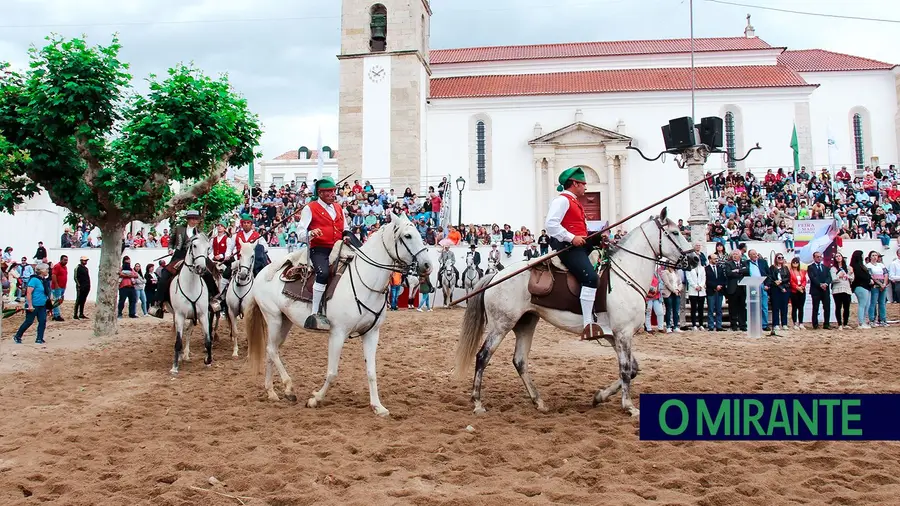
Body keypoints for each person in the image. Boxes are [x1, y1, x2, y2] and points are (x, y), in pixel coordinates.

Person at [545, 166, 604, 340]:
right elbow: (551, 225)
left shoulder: (575, 202)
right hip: (567, 247)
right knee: (591, 278)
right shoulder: (562, 201)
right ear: (575, 183)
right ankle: (587, 324)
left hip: (579, 244)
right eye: (584, 184)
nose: (586, 187)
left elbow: (579, 228)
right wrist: (571, 238)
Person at [295, 177, 353, 329]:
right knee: (323, 273)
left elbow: (345, 227)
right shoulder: (310, 208)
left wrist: (346, 234)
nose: (333, 194)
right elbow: (300, 232)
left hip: (339, 247)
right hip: (319, 248)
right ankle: (315, 313)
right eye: (329, 192)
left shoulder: (339, 208)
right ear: (320, 193)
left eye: (333, 191)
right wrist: (311, 233)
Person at [149, 210, 221, 318]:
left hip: (195, 257)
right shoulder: (179, 229)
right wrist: (170, 249)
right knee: (165, 274)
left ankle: (212, 299)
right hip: (179, 255)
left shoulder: (200, 233)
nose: (194, 220)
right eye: (191, 218)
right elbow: (171, 241)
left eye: (195, 219)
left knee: (208, 274)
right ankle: (158, 304)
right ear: (187, 219)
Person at [12, 263, 51, 344]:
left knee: (42, 321)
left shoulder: (43, 280)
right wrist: (30, 305)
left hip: (42, 305)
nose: (48, 270)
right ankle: (18, 336)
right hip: (33, 305)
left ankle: (39, 338)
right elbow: (28, 293)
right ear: (41, 271)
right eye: (46, 269)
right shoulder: (34, 280)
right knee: (29, 321)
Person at [724, 250, 749, 331]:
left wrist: (737, 270)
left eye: (736, 254)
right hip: (733, 288)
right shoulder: (728, 263)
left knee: (742, 307)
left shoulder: (744, 263)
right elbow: (729, 273)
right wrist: (740, 272)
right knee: (733, 307)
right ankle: (733, 325)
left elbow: (747, 271)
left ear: (740, 255)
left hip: (742, 288)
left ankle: (743, 324)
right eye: (733, 254)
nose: (735, 256)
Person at [807, 251, 832, 329]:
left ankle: (826, 324)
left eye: (820, 256)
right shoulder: (810, 267)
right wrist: (820, 284)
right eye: (817, 257)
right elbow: (812, 277)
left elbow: (829, 277)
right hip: (816, 290)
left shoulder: (826, 267)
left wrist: (826, 284)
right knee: (815, 308)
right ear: (814, 258)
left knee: (827, 307)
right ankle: (815, 324)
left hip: (825, 290)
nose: (819, 258)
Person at [746, 250, 770, 331]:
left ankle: (764, 324)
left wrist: (767, 285)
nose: (755, 255)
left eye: (756, 254)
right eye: (753, 254)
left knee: (764, 306)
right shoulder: (746, 263)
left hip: (762, 285)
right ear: (749, 256)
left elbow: (768, 274)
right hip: (752, 285)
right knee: (753, 306)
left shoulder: (763, 262)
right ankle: (754, 323)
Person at [767, 253, 790, 331]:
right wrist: (776, 283)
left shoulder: (785, 268)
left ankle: (784, 323)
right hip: (775, 289)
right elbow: (770, 278)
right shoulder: (772, 268)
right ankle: (776, 324)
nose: (781, 259)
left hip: (785, 288)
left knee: (784, 307)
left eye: (782, 257)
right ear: (776, 258)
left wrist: (781, 281)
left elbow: (788, 278)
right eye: (779, 257)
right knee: (775, 307)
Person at [850, 250, 872, 329]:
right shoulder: (855, 266)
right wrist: (868, 280)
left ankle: (864, 321)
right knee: (862, 305)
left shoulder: (862, 266)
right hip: (860, 286)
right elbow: (859, 276)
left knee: (867, 305)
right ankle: (861, 322)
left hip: (866, 286)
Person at [830, 252, 853, 330]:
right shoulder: (833, 268)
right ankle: (839, 323)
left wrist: (848, 276)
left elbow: (852, 278)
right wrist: (838, 276)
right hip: (837, 289)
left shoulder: (848, 267)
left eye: (839, 256)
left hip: (846, 288)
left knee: (847, 307)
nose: (838, 257)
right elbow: (833, 279)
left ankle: (845, 323)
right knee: (838, 306)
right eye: (836, 256)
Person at [705, 253, 725, 331]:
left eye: (716, 258)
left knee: (719, 309)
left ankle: (719, 325)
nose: (716, 260)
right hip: (711, 291)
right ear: (710, 259)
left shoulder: (720, 268)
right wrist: (715, 286)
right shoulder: (706, 269)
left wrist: (720, 286)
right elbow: (707, 280)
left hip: (719, 291)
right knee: (710, 309)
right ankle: (711, 325)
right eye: (714, 259)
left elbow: (723, 279)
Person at [685, 259, 706, 330]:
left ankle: (701, 324)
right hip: (693, 291)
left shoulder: (702, 268)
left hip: (701, 291)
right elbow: (689, 279)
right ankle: (694, 324)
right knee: (693, 308)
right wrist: (695, 286)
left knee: (701, 309)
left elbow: (704, 278)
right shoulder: (689, 268)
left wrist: (700, 286)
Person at [789, 257, 808, 330]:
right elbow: (791, 281)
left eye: (797, 262)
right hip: (794, 291)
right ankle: (795, 323)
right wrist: (797, 287)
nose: (795, 264)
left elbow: (804, 280)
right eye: (794, 262)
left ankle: (801, 323)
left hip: (802, 291)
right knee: (794, 307)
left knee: (801, 307)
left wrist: (802, 286)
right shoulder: (790, 272)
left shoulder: (802, 271)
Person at [50, 254, 69, 322]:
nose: (66, 261)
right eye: (64, 260)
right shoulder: (57, 266)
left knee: (59, 301)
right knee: (57, 301)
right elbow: (54, 275)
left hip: (62, 287)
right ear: (61, 260)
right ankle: (56, 315)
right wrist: (56, 285)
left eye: (67, 260)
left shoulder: (65, 267)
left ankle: (54, 313)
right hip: (57, 287)